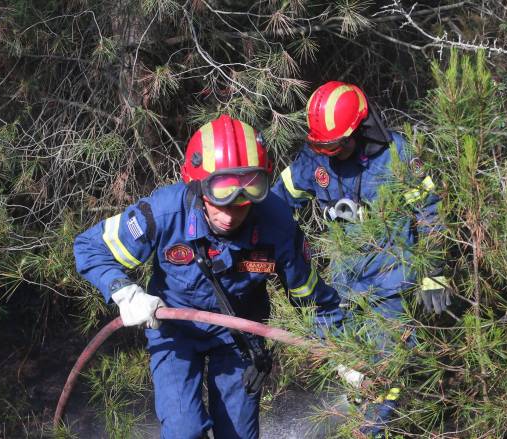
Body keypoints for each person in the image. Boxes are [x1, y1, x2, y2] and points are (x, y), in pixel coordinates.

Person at [74, 114, 345, 439]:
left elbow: (310, 296)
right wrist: (125, 292)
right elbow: (90, 247)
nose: (230, 215)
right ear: (198, 186)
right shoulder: (165, 212)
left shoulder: (276, 224)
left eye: (243, 202)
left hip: (239, 334)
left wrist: (342, 351)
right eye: (221, 201)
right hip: (174, 331)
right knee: (183, 432)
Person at [272, 81, 452, 436]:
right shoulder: (315, 158)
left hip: (391, 287)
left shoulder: (397, 155)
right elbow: (278, 202)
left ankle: (371, 432)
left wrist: (434, 269)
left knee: (387, 374)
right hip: (342, 290)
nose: (328, 153)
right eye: (321, 146)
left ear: (357, 131)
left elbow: (430, 211)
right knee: (352, 373)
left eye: (334, 146)